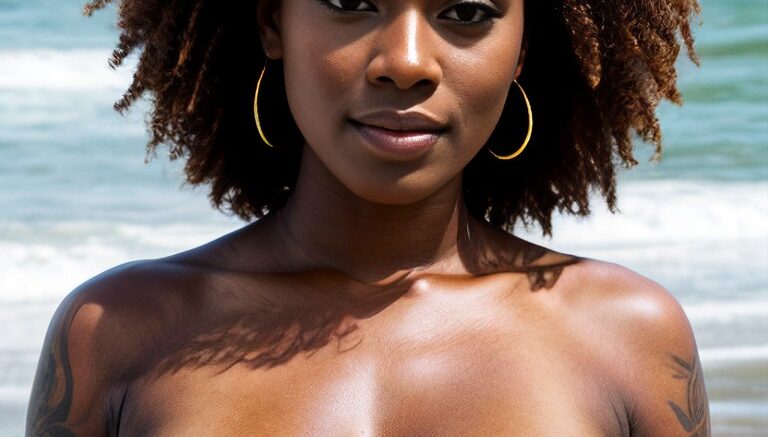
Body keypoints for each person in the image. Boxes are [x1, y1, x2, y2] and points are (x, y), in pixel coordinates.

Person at [26, 0, 709, 434]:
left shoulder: (628, 335)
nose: (406, 63)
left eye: (467, 12)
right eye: (351, 2)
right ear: (272, 21)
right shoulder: (114, 331)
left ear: (524, 46)